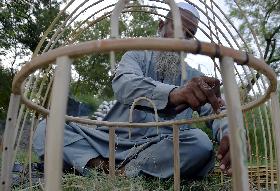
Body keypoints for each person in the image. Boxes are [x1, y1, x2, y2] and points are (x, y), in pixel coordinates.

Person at [33, 2, 232, 179]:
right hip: (112, 141)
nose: (182, 38)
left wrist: (231, 133)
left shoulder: (196, 77)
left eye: (189, 35)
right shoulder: (136, 55)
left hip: (161, 148)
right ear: (161, 27)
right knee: (48, 127)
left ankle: (114, 170)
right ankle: (107, 166)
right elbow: (124, 84)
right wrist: (174, 94)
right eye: (177, 27)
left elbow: (218, 112)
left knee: (200, 144)